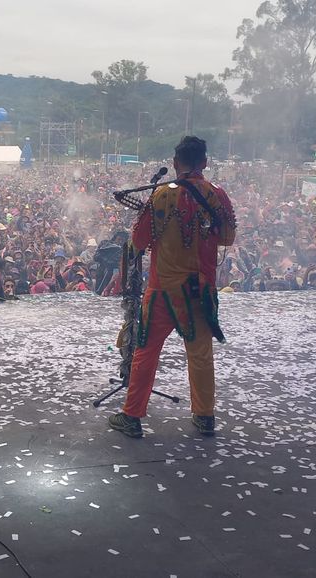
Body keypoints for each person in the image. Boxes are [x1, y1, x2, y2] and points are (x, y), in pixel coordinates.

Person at [109, 136, 237, 438]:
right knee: (201, 354)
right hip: (200, 291)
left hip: (163, 291)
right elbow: (227, 237)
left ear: (176, 162)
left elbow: (138, 242)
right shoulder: (218, 195)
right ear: (204, 163)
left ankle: (133, 417)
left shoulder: (162, 195)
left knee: (145, 352)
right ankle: (205, 416)